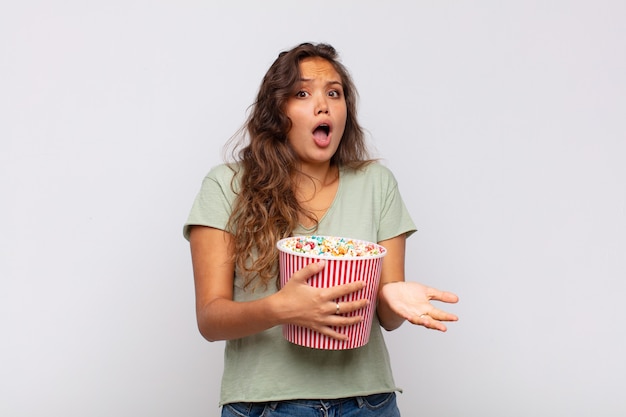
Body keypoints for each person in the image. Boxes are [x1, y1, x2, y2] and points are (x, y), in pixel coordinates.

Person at [183, 42, 459, 417]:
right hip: (265, 407)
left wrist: (395, 299)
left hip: (369, 404)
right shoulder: (225, 185)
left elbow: (388, 318)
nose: (323, 104)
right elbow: (210, 320)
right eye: (302, 93)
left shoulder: (377, 183)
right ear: (276, 111)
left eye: (334, 92)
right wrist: (281, 308)